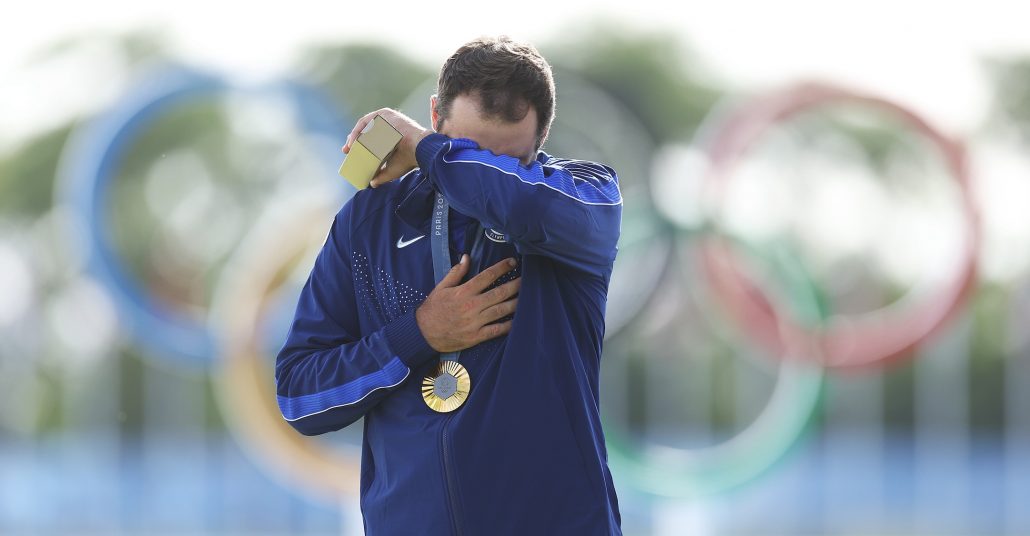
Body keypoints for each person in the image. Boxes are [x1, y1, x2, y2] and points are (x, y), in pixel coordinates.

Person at [275, 35, 623, 535]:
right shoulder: (369, 221)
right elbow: (299, 396)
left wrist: (428, 150)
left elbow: (521, 204)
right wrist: (418, 335)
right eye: (466, 149)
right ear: (436, 114)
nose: (477, 176)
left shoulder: (582, 201)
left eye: (507, 160)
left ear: (540, 142)